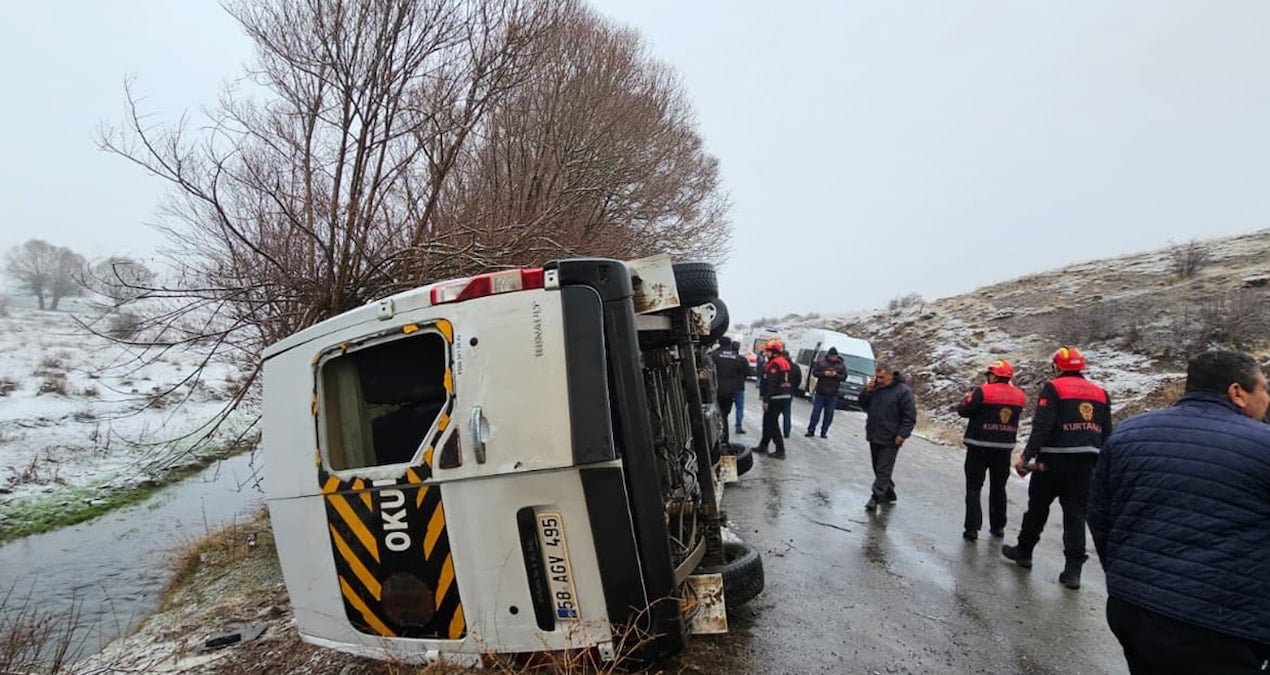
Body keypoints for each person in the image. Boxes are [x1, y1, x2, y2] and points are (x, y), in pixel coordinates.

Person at [1088, 350, 1270, 673]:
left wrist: (1124, 577)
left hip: (1134, 610)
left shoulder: (1129, 433)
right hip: (1225, 628)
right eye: (1264, 389)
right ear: (1237, 392)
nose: (1267, 399)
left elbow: (1101, 516)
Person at [1001, 346, 1111, 590]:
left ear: (1058, 367)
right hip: (1086, 464)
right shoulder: (1100, 393)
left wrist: (1026, 456)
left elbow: (1043, 426)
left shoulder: (1054, 388)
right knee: (1075, 515)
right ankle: (1073, 571)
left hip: (1052, 461)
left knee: (1038, 508)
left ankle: (1025, 551)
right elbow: (1107, 433)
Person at [956, 359, 1026, 541]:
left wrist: (968, 396)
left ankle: (972, 529)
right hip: (1004, 449)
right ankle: (998, 526)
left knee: (974, 487)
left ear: (994, 375)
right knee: (999, 487)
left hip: (978, 446)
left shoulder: (983, 391)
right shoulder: (1019, 395)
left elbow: (963, 410)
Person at [857, 364, 916, 511]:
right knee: (877, 466)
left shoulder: (903, 392)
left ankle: (875, 497)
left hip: (891, 437)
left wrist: (903, 434)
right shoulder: (875, 389)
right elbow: (863, 404)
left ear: (891, 375)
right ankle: (889, 491)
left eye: (882, 377)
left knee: (883, 468)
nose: (879, 380)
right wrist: (867, 391)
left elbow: (909, 416)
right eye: (877, 377)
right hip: (874, 433)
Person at [753, 340, 793, 460]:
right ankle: (763, 445)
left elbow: (772, 383)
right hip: (784, 396)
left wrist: (766, 400)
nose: (765, 353)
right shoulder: (784, 362)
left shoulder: (775, 364)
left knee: (772, 423)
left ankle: (780, 450)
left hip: (776, 397)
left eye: (767, 351)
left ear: (774, 352)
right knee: (767, 422)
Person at [806, 347, 848, 438]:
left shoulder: (841, 365)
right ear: (828, 355)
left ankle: (824, 432)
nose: (833, 358)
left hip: (833, 393)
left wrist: (836, 375)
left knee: (829, 414)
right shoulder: (821, 363)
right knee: (816, 412)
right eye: (831, 356)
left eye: (834, 356)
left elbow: (844, 377)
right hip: (821, 391)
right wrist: (824, 374)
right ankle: (811, 430)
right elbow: (815, 373)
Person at [711, 338, 749, 439]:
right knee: (724, 416)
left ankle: (716, 438)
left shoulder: (714, 355)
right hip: (731, 391)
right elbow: (746, 372)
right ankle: (725, 439)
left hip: (716, 390)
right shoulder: (738, 357)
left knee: (714, 415)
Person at [781, 349, 801, 439]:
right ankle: (787, 431)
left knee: (774, 414)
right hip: (789, 393)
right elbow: (798, 380)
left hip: (778, 393)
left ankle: (772, 430)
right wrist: (793, 389)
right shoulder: (795, 367)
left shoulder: (779, 365)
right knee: (787, 413)